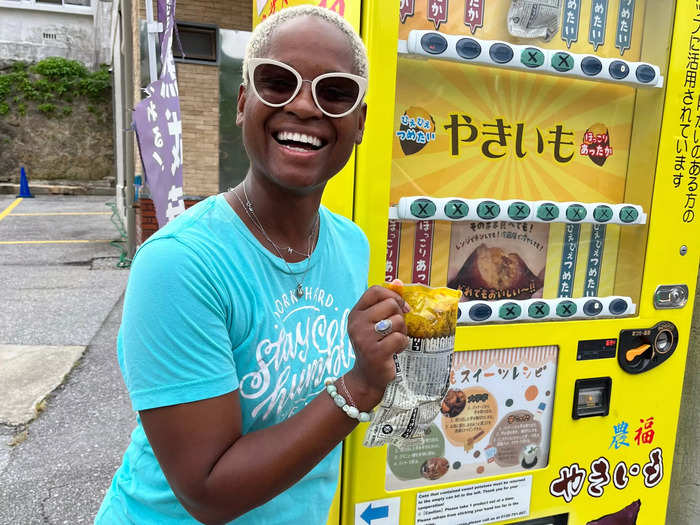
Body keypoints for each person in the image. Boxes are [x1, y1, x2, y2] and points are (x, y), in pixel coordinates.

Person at [96, 6, 409, 525]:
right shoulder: (180, 265)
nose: (305, 106)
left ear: (359, 123)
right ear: (244, 102)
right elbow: (208, 492)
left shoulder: (350, 244)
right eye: (276, 81)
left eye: (335, 92)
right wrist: (360, 386)